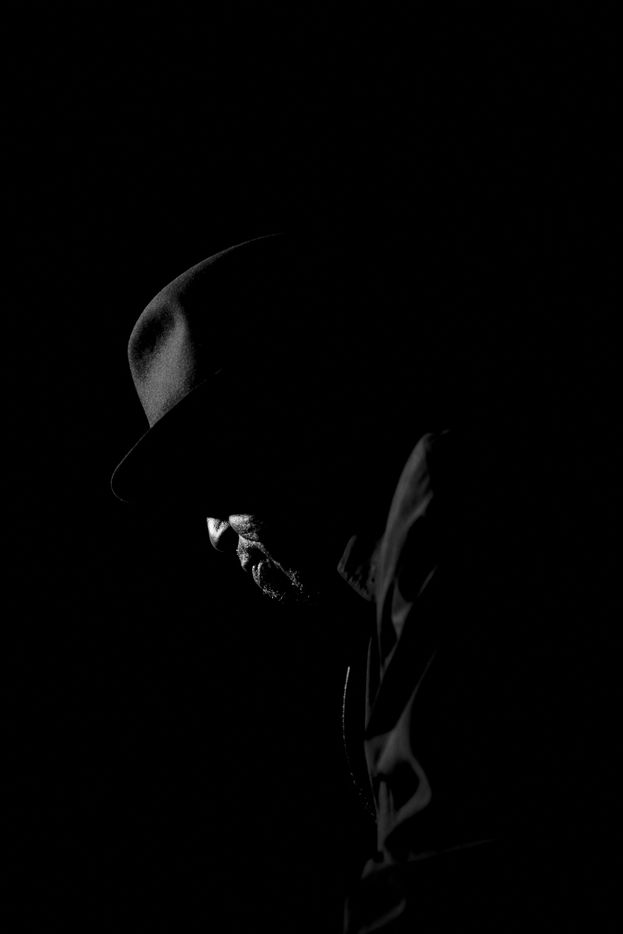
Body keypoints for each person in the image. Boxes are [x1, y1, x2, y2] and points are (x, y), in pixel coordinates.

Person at [111, 232, 576, 931]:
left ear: (285, 428)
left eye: (214, 482)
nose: (215, 534)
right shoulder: (371, 608)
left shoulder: (447, 511)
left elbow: (438, 876)